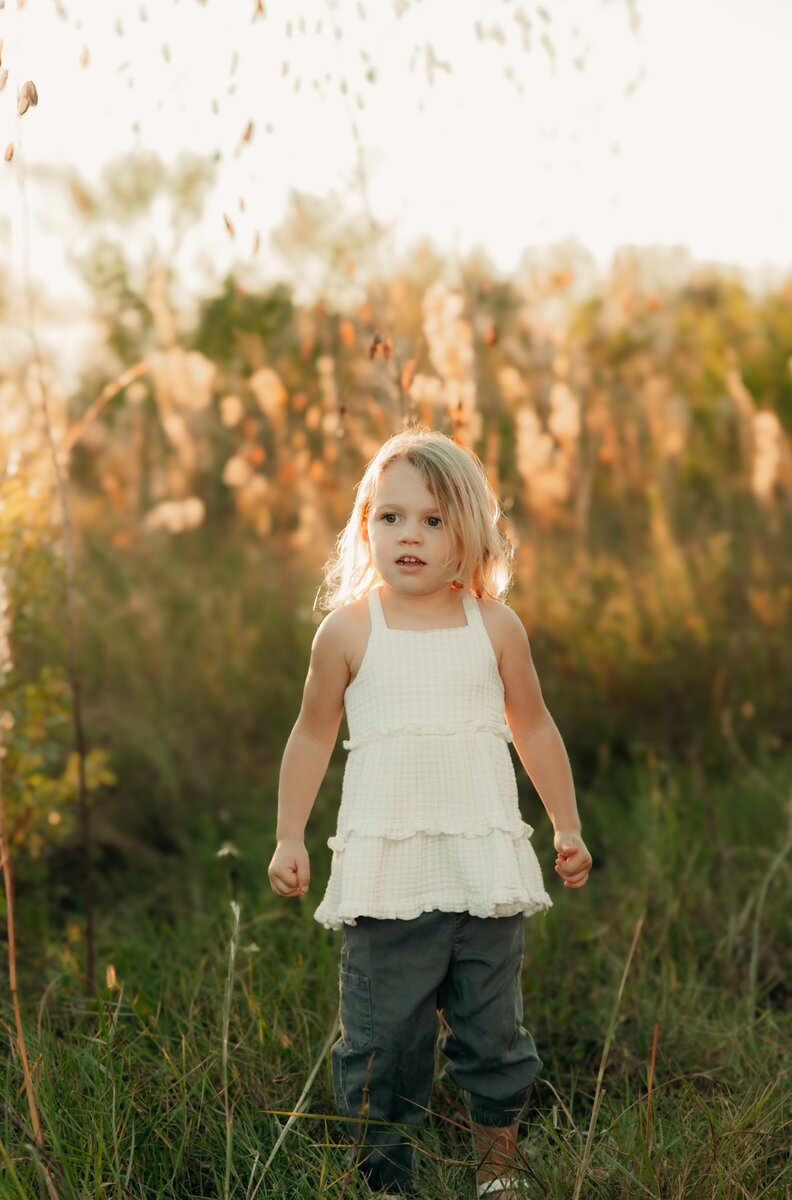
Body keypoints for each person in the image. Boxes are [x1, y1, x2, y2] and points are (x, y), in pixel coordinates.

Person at [268, 427, 592, 1198]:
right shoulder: (348, 630)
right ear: (365, 526)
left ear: (469, 533)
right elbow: (312, 733)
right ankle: (387, 1183)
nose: (409, 535)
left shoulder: (495, 626)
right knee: (383, 1047)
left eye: (434, 520)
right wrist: (289, 835)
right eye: (391, 517)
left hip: (482, 872)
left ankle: (498, 1173)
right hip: (388, 881)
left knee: (495, 1037)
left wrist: (567, 825)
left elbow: (534, 726)